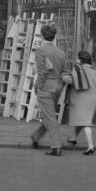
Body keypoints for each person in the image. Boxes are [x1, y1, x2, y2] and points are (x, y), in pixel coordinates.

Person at [29, 24, 68, 156]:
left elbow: (42, 73)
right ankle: (36, 136)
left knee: (50, 117)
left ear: (42, 35)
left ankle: (56, 147)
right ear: (54, 36)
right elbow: (65, 72)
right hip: (57, 87)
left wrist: (37, 86)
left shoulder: (41, 51)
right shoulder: (61, 53)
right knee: (49, 114)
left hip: (46, 87)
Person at [65, 51, 96, 155]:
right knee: (82, 119)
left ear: (81, 60)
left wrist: (62, 74)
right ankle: (74, 138)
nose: (76, 60)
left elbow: (69, 80)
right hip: (93, 99)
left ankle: (90, 146)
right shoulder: (94, 72)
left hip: (81, 99)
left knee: (85, 123)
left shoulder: (78, 71)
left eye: (77, 58)